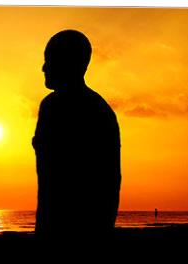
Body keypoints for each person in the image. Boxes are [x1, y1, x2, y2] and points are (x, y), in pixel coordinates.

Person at [32, 30, 121, 237]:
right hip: (53, 226)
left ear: (69, 63)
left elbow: (108, 181)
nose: (43, 67)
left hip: (79, 229)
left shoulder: (91, 110)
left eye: (50, 60)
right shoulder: (52, 106)